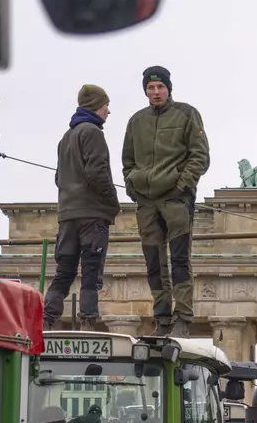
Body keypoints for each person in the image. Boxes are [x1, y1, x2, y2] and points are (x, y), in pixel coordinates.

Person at [122, 65, 210, 339]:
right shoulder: (136, 121)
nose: (156, 92)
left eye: (160, 87)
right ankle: (161, 318)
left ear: (168, 88)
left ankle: (183, 316)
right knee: (153, 263)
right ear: (146, 91)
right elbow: (127, 160)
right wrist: (132, 185)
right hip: (146, 203)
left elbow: (200, 156)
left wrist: (182, 186)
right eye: (150, 88)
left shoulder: (187, 114)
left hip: (175, 200)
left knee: (180, 259)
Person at [43, 84, 121, 331]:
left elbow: (58, 178)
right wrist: (111, 201)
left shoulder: (65, 138)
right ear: (97, 106)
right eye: (106, 105)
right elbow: (97, 172)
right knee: (91, 267)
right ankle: (89, 320)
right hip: (92, 214)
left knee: (63, 271)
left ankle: (47, 319)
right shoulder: (93, 132)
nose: (108, 111)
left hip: (67, 216)